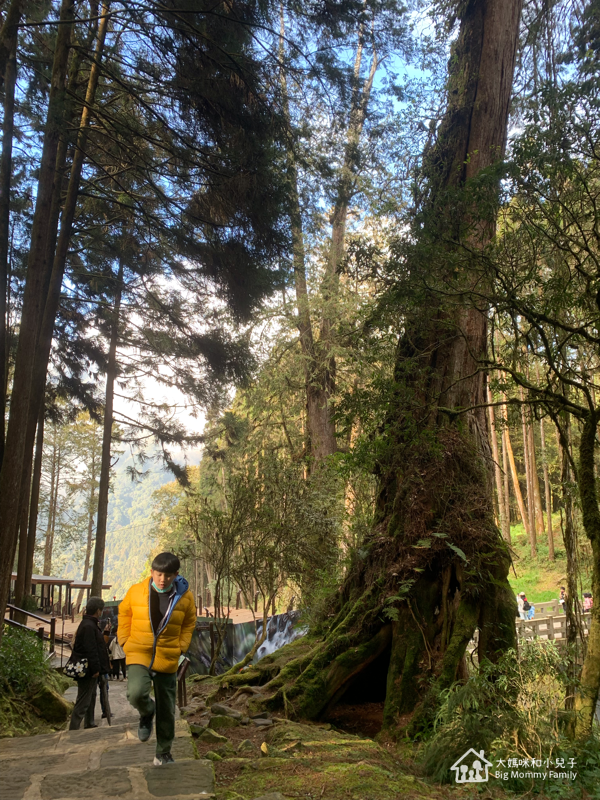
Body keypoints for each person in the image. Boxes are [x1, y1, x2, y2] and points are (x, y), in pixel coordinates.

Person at [118, 552, 196, 766]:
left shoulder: (185, 597)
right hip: (138, 652)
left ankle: (163, 752)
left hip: (168, 655)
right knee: (135, 693)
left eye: (168, 575)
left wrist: (182, 646)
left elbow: (190, 622)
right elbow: (124, 613)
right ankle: (146, 711)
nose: (163, 579)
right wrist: (124, 640)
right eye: (159, 574)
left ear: (176, 575)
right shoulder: (136, 591)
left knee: (167, 707)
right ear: (152, 572)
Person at [68, 596, 111, 730]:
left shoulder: (90, 624)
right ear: (98, 610)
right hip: (88, 670)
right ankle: (74, 728)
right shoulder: (88, 626)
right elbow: (91, 650)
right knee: (84, 700)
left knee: (91, 696)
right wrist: (96, 669)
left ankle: (89, 722)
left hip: (90, 669)